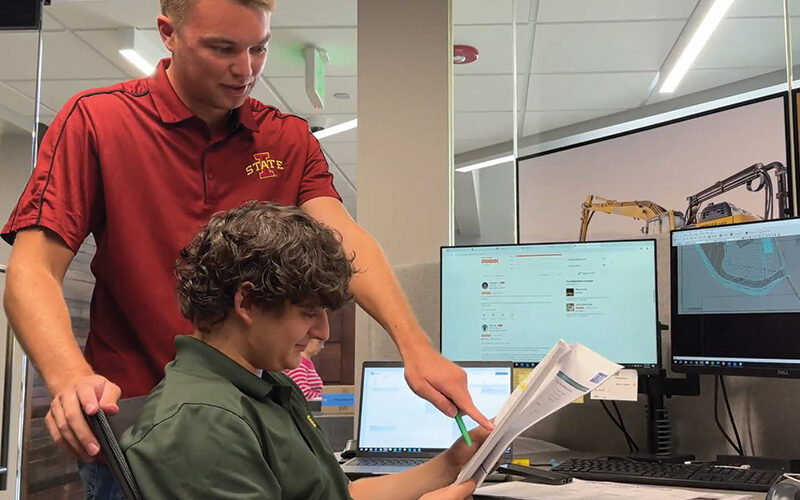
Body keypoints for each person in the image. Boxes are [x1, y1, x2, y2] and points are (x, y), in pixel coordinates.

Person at [1, 0, 490, 496]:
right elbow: (32, 271)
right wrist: (68, 379)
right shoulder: (99, 121)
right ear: (168, 34)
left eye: (259, 48)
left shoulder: (285, 138)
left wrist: (416, 347)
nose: (245, 69)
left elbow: (346, 242)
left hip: (250, 414)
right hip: (143, 429)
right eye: (222, 48)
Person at [119, 201, 488, 499]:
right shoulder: (202, 422)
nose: (322, 331)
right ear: (246, 302)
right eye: (308, 313)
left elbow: (341, 495)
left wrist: (451, 463)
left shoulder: (268, 386)